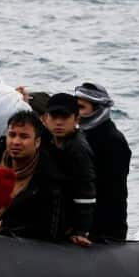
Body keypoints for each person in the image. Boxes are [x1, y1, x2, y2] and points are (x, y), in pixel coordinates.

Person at [0, 111, 69, 241]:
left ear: (37, 142)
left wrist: (4, 226)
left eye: (24, 137)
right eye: (12, 135)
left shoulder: (48, 177)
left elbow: (51, 228)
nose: (16, 142)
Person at [75, 82, 131, 240]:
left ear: (97, 110)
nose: (75, 113)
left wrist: (88, 230)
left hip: (104, 228)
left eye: (81, 107)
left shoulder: (113, 141)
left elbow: (111, 194)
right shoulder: (80, 136)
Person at [41, 93, 96, 247]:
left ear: (76, 119)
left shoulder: (78, 148)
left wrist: (81, 230)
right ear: (45, 119)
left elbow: (86, 192)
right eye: (54, 116)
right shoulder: (48, 139)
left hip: (69, 214)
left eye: (64, 117)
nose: (58, 122)